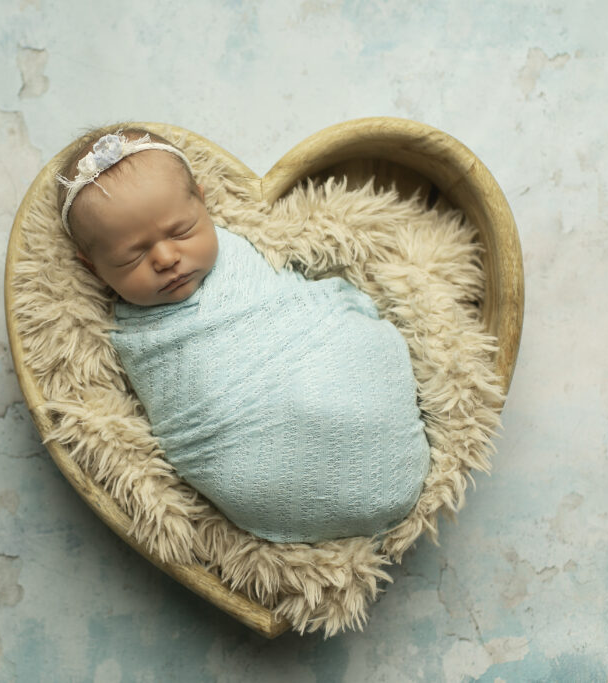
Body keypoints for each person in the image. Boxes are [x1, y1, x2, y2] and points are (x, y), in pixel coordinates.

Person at [57, 126, 430, 543]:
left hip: (333, 370)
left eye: (181, 231)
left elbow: (302, 298)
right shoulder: (135, 338)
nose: (166, 258)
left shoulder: (244, 252)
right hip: (251, 459)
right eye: (133, 256)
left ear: (202, 200)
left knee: (338, 381)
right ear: (93, 268)